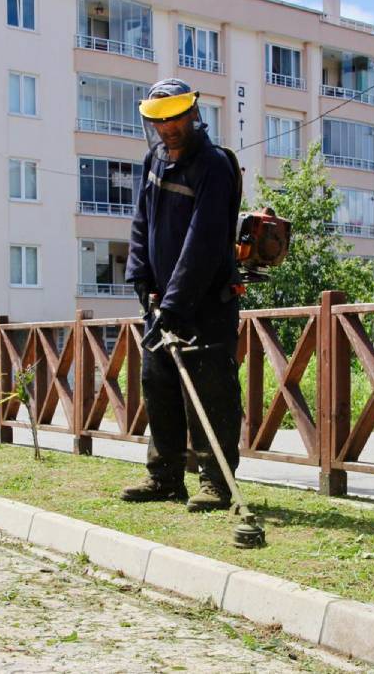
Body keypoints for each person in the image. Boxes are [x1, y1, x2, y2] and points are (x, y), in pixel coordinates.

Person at [121, 78, 243, 512]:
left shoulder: (213, 166)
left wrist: (174, 304)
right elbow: (141, 222)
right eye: (159, 121)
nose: (167, 128)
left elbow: (203, 243)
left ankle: (216, 483)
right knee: (159, 386)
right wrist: (139, 277)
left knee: (210, 392)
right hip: (160, 303)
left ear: (192, 112)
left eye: (175, 117)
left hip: (206, 304)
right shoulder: (153, 159)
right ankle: (165, 477)